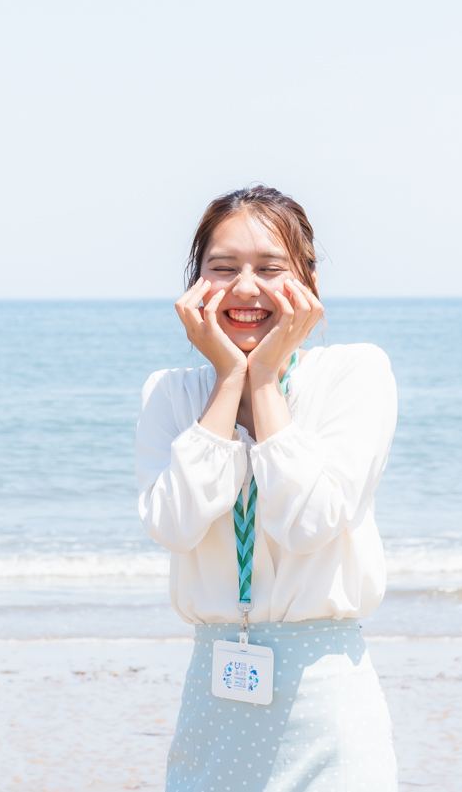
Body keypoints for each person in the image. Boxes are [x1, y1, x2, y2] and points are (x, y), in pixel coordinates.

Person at [136, 185, 399, 792]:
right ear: (194, 284)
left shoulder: (356, 374)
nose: (246, 289)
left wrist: (267, 383)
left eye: (271, 268)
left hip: (325, 689)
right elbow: (172, 525)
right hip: (214, 689)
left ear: (307, 281)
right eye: (222, 269)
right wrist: (230, 380)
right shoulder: (169, 394)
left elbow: (308, 521)